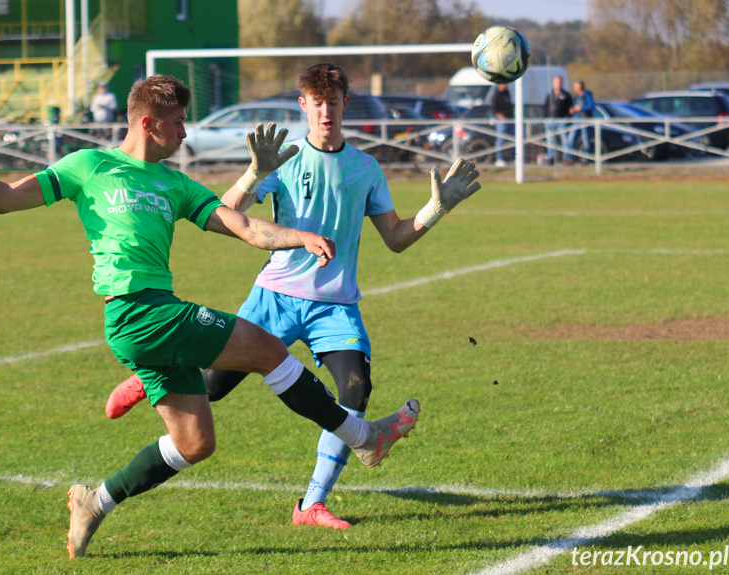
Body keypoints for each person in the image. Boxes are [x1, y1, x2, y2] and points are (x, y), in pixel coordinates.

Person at [0, 74, 430, 559]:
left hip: (152, 321)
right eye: (179, 122)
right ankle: (366, 437)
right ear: (148, 123)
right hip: (137, 312)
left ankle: (95, 501)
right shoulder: (87, 166)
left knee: (195, 443)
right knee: (268, 351)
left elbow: (247, 227)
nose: (185, 131)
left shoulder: (174, 183)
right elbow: (5, 199)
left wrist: (300, 237)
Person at [105, 64, 482, 530]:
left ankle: (312, 505)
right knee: (213, 389)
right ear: (303, 105)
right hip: (274, 298)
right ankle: (150, 377)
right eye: (316, 102)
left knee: (356, 389)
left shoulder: (365, 168)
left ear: (347, 104)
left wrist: (434, 210)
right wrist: (254, 172)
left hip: (335, 304)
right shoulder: (282, 160)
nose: (326, 111)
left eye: (334, 101)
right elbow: (229, 211)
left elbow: (396, 238)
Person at [542, 75, 572, 165]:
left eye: (559, 82)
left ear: (562, 83)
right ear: (553, 83)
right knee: (550, 140)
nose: (558, 84)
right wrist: (546, 117)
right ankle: (551, 157)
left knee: (564, 140)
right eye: (556, 82)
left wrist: (566, 117)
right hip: (550, 120)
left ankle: (566, 158)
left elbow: (570, 108)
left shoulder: (566, 95)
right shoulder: (550, 94)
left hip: (561, 121)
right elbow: (546, 107)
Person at [569, 80, 595, 163]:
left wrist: (581, 107)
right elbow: (574, 105)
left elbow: (591, 105)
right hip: (576, 119)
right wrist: (573, 109)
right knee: (571, 138)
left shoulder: (587, 94)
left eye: (577, 87)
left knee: (585, 139)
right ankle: (570, 158)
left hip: (584, 119)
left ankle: (586, 158)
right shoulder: (576, 96)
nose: (575, 88)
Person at [490, 82, 513, 167]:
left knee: (512, 139)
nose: (506, 85)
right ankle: (499, 158)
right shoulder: (496, 94)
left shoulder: (507, 93)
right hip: (502, 121)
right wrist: (501, 116)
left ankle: (513, 158)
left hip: (510, 120)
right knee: (501, 139)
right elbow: (494, 109)